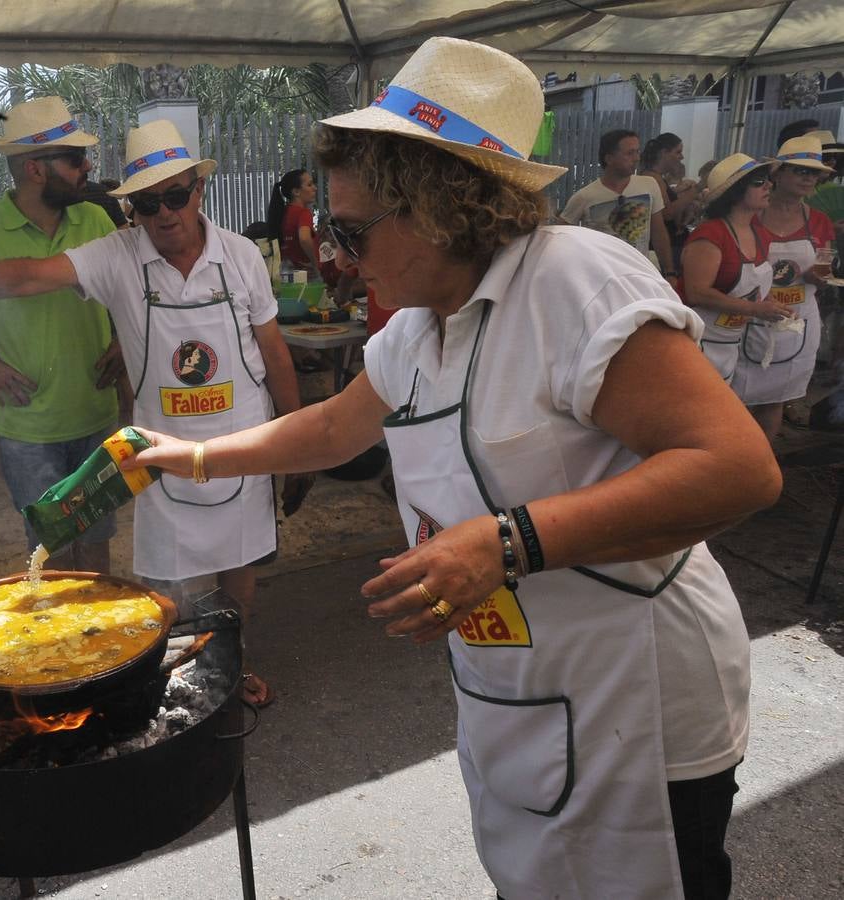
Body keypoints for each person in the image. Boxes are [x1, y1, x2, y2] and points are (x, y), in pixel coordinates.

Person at [122, 37, 778, 899]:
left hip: (635, 691)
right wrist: (195, 454)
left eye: (351, 230)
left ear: (439, 208)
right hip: (517, 681)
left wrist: (503, 543)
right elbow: (330, 427)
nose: (337, 252)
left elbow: (736, 468)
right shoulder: (420, 324)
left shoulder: (573, 282)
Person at [0, 119, 310, 707]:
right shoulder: (118, 255)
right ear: (135, 210)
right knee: (171, 592)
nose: (165, 214)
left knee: (240, 576)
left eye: (175, 196)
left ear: (198, 189)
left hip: (242, 446)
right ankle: (183, 684)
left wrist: (292, 444)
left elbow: (273, 351)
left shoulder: (242, 257)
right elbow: (35, 276)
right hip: (164, 457)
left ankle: (233, 666)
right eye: (148, 203)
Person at [0, 96, 125, 575]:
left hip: (95, 415)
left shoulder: (97, 220)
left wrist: (124, 340)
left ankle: (100, 647)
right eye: (75, 159)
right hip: (29, 429)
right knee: (51, 553)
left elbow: (127, 288)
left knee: (97, 545)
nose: (88, 167)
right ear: (35, 170)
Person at [730, 135, 835, 440]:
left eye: (814, 172)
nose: (809, 178)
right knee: (733, 396)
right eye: (802, 170)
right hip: (747, 316)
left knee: (776, 397)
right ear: (779, 173)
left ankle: (763, 465)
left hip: (797, 320)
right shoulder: (749, 214)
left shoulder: (819, 221)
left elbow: (823, 265)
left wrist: (819, 276)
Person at [678, 154, 780, 383]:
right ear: (735, 191)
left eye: (767, 180)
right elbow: (698, 292)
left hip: (732, 341)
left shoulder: (760, 234)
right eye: (758, 182)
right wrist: (754, 309)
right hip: (697, 339)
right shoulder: (711, 235)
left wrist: (770, 305)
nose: (769, 185)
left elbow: (757, 284)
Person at [560, 128, 676, 278]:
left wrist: (669, 271)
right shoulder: (585, 196)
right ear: (609, 158)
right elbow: (562, 234)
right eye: (629, 153)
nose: (636, 158)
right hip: (602, 275)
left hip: (640, 272)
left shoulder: (649, 184)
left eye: (637, 152)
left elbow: (658, 231)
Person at [639, 132, 700, 266]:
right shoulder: (652, 178)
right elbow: (667, 213)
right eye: (678, 152)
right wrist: (695, 191)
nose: (681, 157)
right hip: (669, 244)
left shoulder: (658, 178)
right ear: (664, 153)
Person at [267, 168, 321, 275]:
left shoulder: (281, 213)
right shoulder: (303, 213)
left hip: (285, 273)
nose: (315, 188)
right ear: (296, 192)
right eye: (309, 185)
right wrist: (317, 264)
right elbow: (304, 238)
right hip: (305, 275)